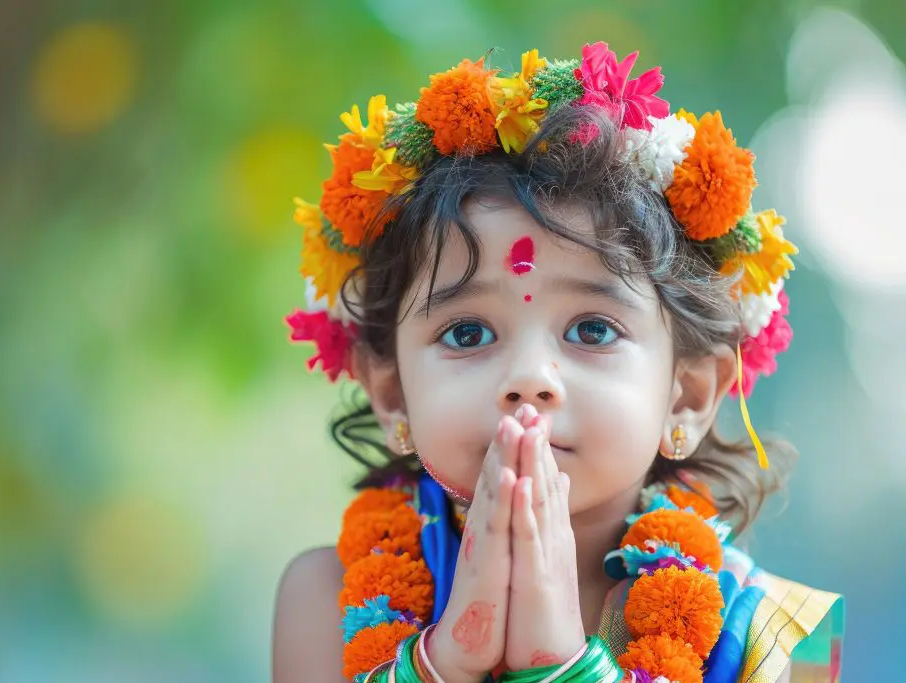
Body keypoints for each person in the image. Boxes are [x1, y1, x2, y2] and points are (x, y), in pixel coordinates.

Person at [272, 43, 843, 683]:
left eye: (592, 329)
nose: (529, 379)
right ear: (393, 395)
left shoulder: (793, 643)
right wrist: (443, 665)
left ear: (686, 395)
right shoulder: (324, 600)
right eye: (466, 333)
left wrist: (561, 668)